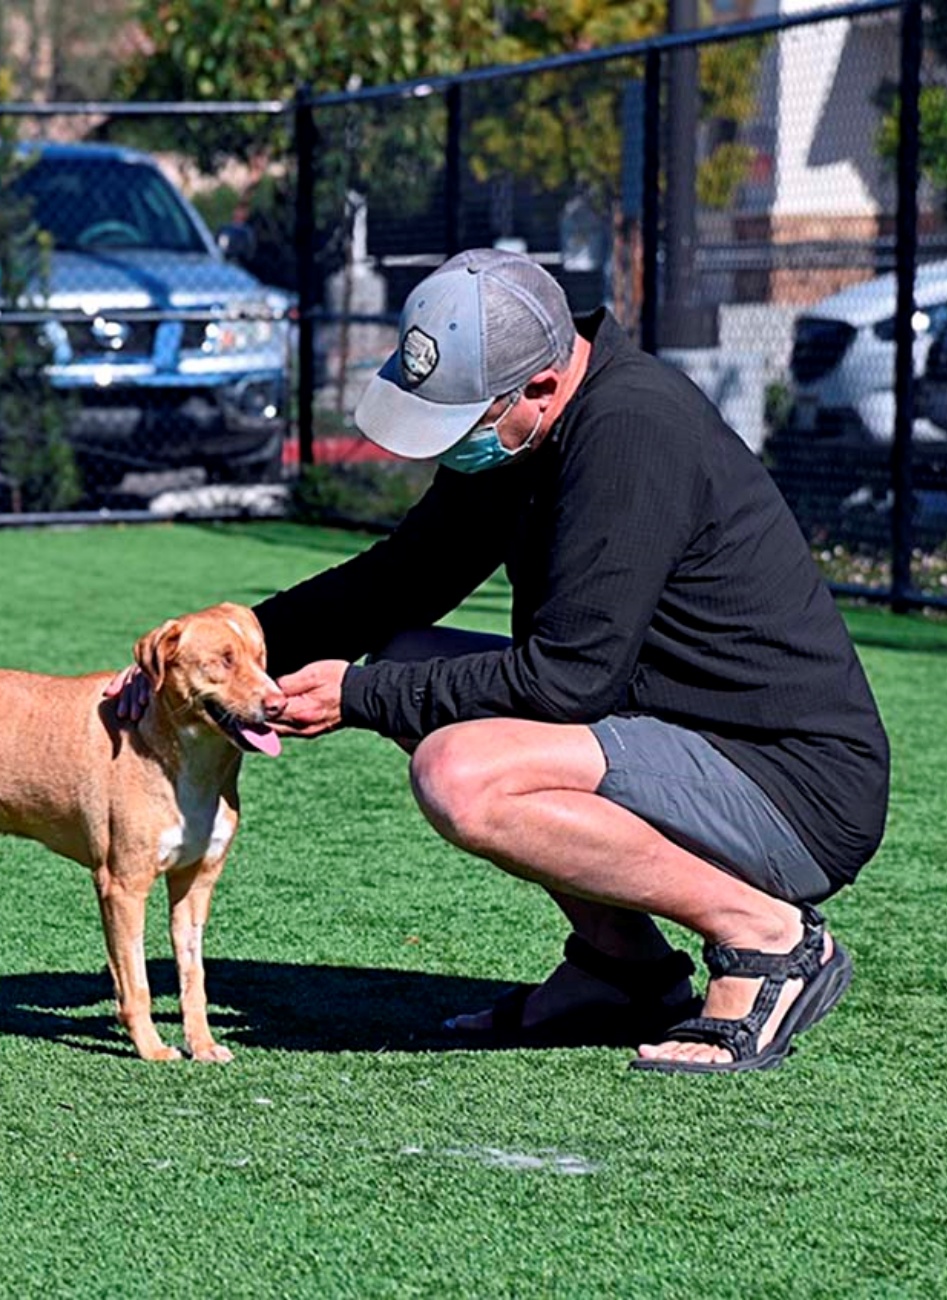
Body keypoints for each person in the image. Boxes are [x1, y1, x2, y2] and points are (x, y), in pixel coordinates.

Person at [113, 248, 889, 1073]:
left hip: (790, 789)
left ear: (543, 389)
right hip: (671, 733)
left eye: (464, 423)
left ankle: (768, 941)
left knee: (462, 770)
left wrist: (363, 696)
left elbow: (568, 679)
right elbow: (402, 580)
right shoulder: (522, 430)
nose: (452, 447)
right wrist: (231, 650)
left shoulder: (630, 432)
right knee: (410, 653)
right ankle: (621, 967)